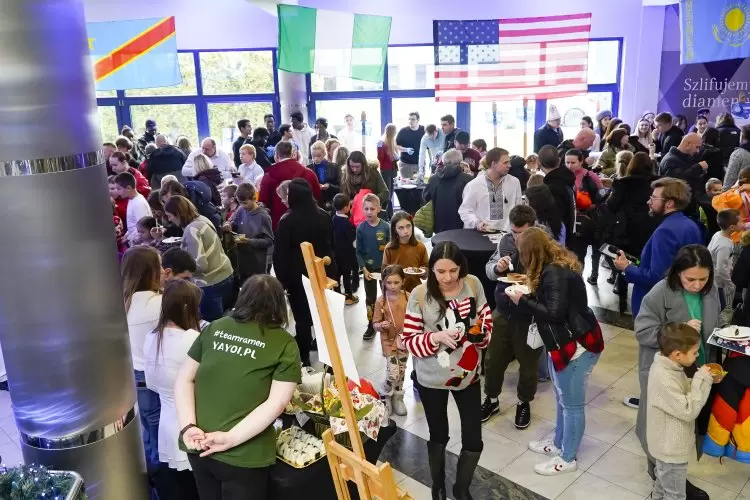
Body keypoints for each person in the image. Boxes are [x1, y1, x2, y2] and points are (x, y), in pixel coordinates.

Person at [175, 275, 301, 500]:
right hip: (244, 455)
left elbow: (184, 379)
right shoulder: (284, 343)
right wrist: (231, 438)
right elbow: (277, 403)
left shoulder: (215, 327)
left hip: (199, 444)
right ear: (279, 304)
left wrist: (188, 427)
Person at [506, 227, 603, 476]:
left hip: (575, 345)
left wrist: (522, 300)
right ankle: (559, 443)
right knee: (562, 399)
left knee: (572, 406)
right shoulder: (553, 265)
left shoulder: (554, 272)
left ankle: (568, 458)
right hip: (564, 343)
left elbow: (555, 313)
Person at [401, 241, 492, 500]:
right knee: (438, 434)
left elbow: (485, 319)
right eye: (440, 272)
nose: (448, 277)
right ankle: (438, 487)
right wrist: (436, 337)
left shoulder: (473, 285)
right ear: (431, 270)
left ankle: (461, 489)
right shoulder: (420, 295)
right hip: (432, 378)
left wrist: (481, 335)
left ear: (461, 266)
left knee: (474, 438)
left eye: (453, 270)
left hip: (468, 374)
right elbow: (409, 340)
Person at [634, 245, 721, 499]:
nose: (696, 285)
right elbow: (642, 331)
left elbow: (714, 324)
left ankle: (671, 476)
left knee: (687, 426)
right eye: (690, 279)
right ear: (677, 273)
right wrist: (678, 329)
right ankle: (662, 474)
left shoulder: (711, 290)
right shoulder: (660, 292)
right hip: (666, 370)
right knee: (664, 428)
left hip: (697, 366)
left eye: (703, 279)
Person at [481, 205, 542, 427]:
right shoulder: (505, 241)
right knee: (493, 359)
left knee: (528, 365)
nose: (517, 239)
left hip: (530, 316)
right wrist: (497, 268)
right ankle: (492, 398)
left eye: (522, 234)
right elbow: (489, 269)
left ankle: (523, 402)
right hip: (503, 310)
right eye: (514, 233)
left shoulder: (544, 247)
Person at [143, 279, 202, 500]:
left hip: (166, 422)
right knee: (195, 487)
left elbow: (151, 383)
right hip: (193, 421)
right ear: (187, 308)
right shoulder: (192, 339)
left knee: (178, 485)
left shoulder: (151, 338)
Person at [646, 323, 715, 500]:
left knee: (661, 488)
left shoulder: (670, 368)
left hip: (666, 446)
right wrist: (702, 380)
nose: (697, 355)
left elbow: (680, 393)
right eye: (694, 352)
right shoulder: (664, 377)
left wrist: (699, 381)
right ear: (677, 355)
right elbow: (688, 409)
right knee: (675, 495)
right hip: (670, 450)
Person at [273, 178, 336, 366]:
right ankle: (328, 357)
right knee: (323, 315)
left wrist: (282, 281)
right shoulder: (324, 215)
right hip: (323, 272)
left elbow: (280, 254)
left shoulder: (287, 220)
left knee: (302, 319)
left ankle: (305, 359)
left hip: (297, 277)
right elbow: (331, 246)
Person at [121, 246, 163, 473]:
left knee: (148, 427)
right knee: (158, 431)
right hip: (154, 376)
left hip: (136, 376)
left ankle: (150, 471)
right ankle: (161, 479)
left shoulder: (123, 300)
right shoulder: (156, 304)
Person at [163, 196, 234, 321]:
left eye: (170, 215)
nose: (169, 219)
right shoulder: (202, 219)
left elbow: (200, 265)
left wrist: (179, 273)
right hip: (226, 275)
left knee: (211, 325)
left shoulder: (191, 230)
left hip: (210, 284)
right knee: (224, 318)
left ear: (178, 213)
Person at [604, 153, 659, 311]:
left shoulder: (622, 183)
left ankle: (622, 299)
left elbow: (612, 205)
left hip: (627, 230)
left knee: (624, 262)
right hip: (651, 227)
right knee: (647, 263)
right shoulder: (657, 182)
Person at [373, 265, 411, 416]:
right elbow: (375, 323)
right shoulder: (381, 301)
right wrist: (381, 325)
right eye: (389, 283)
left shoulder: (408, 297)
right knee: (393, 373)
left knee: (401, 371)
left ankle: (398, 397)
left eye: (396, 282)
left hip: (405, 341)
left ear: (403, 281)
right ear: (383, 282)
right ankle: (384, 395)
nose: (393, 286)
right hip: (388, 341)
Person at [258, 141, 321, 231]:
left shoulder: (269, 175)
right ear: (293, 154)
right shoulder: (309, 173)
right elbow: (317, 197)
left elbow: (263, 202)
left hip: (279, 223)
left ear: (276, 155)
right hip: (307, 222)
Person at [458, 147, 523, 232]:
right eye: (505, 163)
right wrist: (477, 223)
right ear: (493, 164)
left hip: (507, 235)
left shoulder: (514, 182)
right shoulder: (474, 185)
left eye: (509, 162)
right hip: (481, 236)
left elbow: (518, 208)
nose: (509, 165)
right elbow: (464, 211)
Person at [564, 149, 604, 282]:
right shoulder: (563, 177)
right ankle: (578, 279)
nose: (569, 166)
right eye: (567, 162)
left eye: (573, 162)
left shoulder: (591, 176)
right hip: (575, 221)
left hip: (592, 219)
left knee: (595, 250)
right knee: (579, 253)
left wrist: (592, 206)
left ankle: (594, 274)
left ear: (581, 162)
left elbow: (602, 198)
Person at [224, 183, 273, 282]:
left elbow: (269, 241)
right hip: (242, 262)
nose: (242, 206)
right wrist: (229, 225)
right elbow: (232, 221)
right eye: (240, 202)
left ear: (254, 198)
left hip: (258, 264)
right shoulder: (241, 209)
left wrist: (248, 241)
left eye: (245, 203)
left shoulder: (263, 217)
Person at [357, 194, 390, 341]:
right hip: (369, 270)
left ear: (379, 209)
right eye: (366, 209)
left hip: (384, 270)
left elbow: (391, 249)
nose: (369, 212)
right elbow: (358, 251)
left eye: (372, 208)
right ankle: (371, 323)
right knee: (370, 299)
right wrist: (363, 268)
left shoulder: (386, 227)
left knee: (387, 296)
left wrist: (388, 268)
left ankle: (388, 321)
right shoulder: (361, 229)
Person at [424, 149, 473, 234]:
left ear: (444, 161)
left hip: (439, 224)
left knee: (439, 246)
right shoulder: (468, 179)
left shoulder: (433, 179)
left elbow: (426, 197)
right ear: (460, 161)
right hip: (461, 225)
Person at [382, 211, 429, 292]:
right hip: (395, 291)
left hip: (415, 290)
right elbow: (384, 274)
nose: (406, 231)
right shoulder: (389, 248)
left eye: (408, 226)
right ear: (395, 229)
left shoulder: (420, 246)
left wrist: (423, 271)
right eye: (401, 228)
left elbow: (427, 270)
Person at [539, 145, 576, 242]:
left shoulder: (550, 187)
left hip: (558, 240)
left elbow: (555, 219)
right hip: (570, 234)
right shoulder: (567, 179)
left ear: (539, 162)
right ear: (559, 160)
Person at [332, 193, 359, 305]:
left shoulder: (333, 218)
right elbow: (351, 239)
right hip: (347, 254)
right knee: (347, 275)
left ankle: (337, 294)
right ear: (346, 208)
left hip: (336, 253)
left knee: (337, 274)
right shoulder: (346, 223)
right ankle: (348, 295)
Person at [712, 166, 750, 242]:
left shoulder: (732, 193)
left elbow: (715, 201)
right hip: (746, 237)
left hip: (730, 237)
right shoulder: (747, 195)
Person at [116, 172, 153, 247]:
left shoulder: (138, 203)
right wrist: (126, 235)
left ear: (129, 188)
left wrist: (129, 238)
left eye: (119, 189)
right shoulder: (131, 199)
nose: (117, 192)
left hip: (142, 245)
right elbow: (132, 223)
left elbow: (143, 228)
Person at [307, 140, 340, 210]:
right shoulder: (308, 168)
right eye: (313, 156)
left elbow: (341, 187)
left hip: (331, 202)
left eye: (319, 156)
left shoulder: (334, 167)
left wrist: (330, 186)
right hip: (314, 204)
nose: (315, 158)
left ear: (324, 154)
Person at [376, 123, 399, 217]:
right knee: (387, 193)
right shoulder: (381, 143)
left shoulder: (392, 142)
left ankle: (389, 214)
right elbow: (380, 158)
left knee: (391, 193)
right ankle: (385, 214)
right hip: (386, 170)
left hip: (393, 169)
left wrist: (395, 157)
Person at [395, 112, 424, 179]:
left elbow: (428, 146)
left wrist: (431, 159)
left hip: (419, 164)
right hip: (406, 164)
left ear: (418, 120)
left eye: (413, 119)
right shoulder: (403, 131)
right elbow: (396, 146)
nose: (410, 121)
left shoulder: (423, 130)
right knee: (406, 186)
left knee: (418, 186)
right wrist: (406, 149)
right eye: (409, 119)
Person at [724, 124, 750, 189]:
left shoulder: (738, 154)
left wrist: (723, 195)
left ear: (742, 136)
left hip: (741, 195)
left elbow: (729, 180)